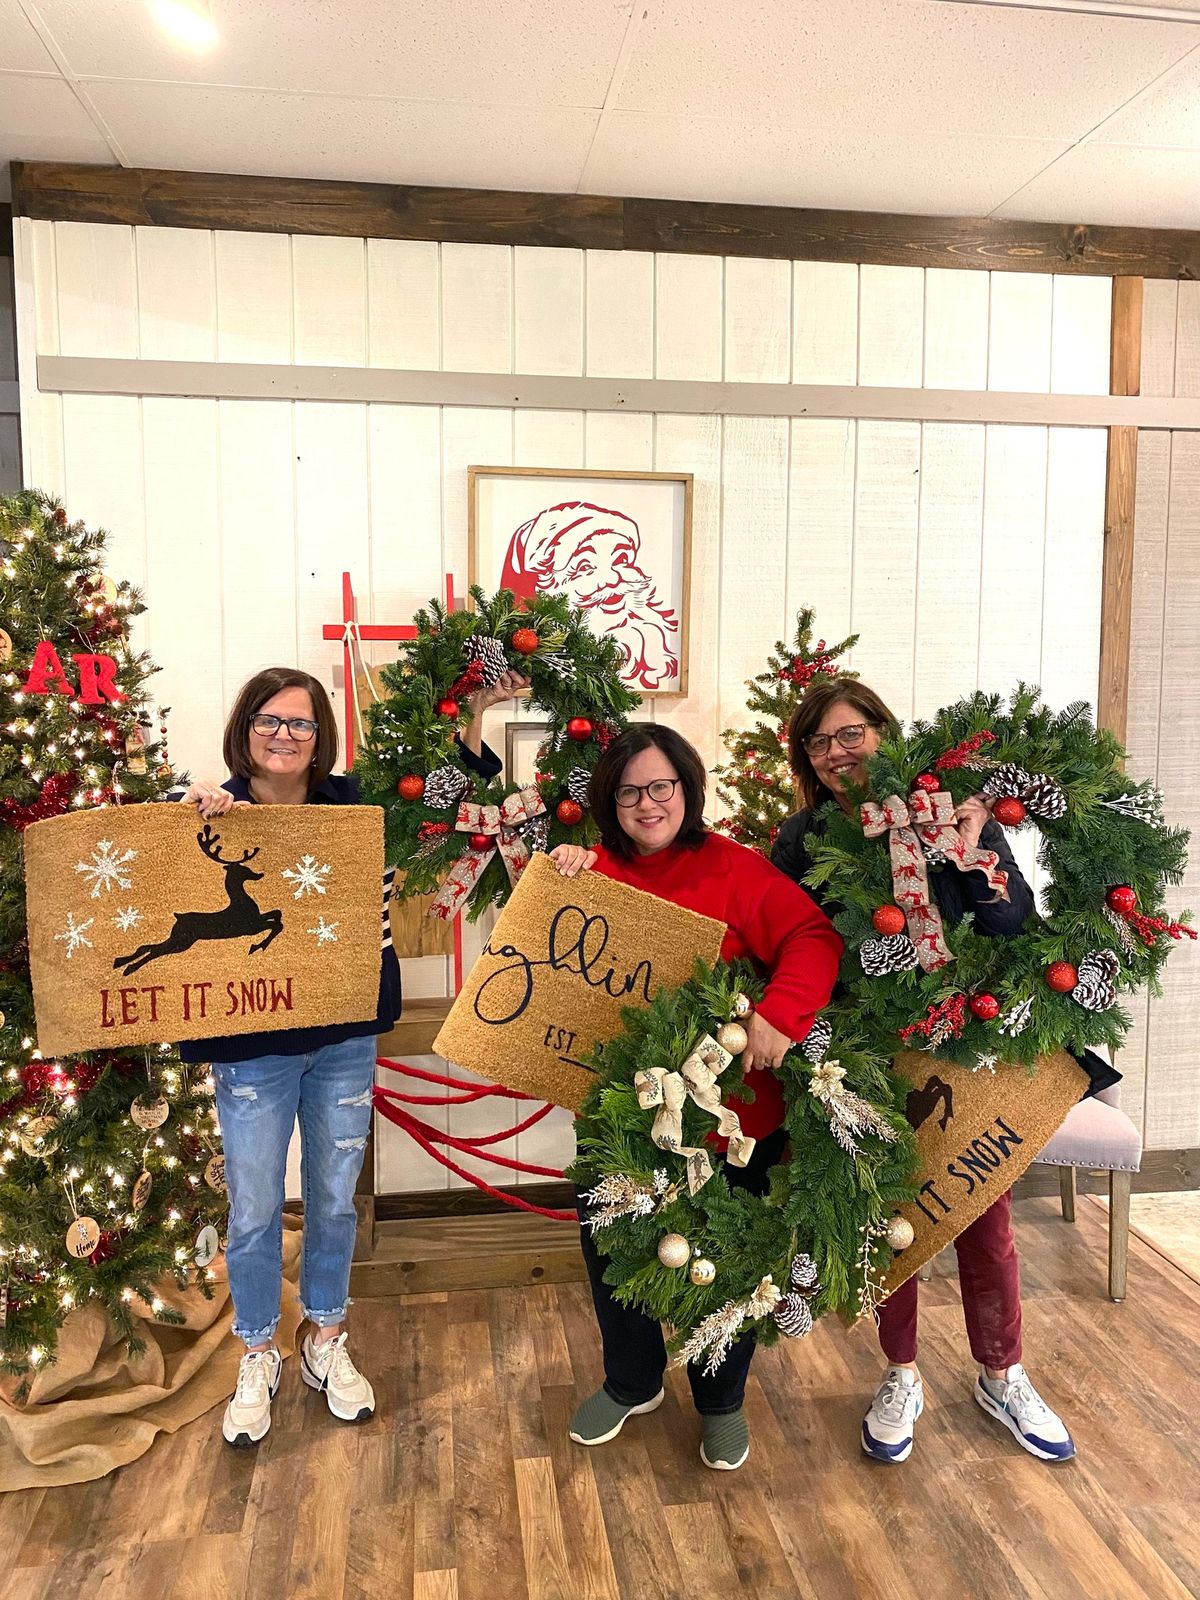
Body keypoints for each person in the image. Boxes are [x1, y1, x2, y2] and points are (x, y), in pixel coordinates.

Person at [179, 664, 524, 1448]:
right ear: (245, 727)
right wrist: (193, 810)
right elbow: (165, 865)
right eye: (270, 719)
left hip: (343, 1037)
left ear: (320, 736)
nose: (284, 735)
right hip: (250, 1046)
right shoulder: (212, 813)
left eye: (300, 723)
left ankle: (324, 1337)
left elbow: (442, 794)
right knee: (259, 1207)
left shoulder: (358, 807)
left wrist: (471, 713)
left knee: (334, 1199)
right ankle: (259, 1348)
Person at [771, 678, 1080, 1466]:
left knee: (986, 1220)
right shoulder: (802, 838)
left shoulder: (944, 813)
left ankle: (1002, 1372)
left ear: (882, 731)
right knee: (891, 1219)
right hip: (864, 1059)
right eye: (819, 742)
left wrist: (976, 853)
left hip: (959, 1052)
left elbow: (1014, 924)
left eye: (851, 735)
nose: (837, 753)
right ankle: (900, 1371)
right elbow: (782, 938)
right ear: (806, 759)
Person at [549, 723, 842, 1470]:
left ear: (686, 788)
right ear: (608, 801)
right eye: (628, 791)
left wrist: (781, 1015)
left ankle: (721, 1399)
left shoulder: (734, 869)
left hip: (731, 1118)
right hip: (622, 1110)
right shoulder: (593, 871)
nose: (647, 803)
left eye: (661, 786)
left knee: (731, 1259)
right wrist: (560, 874)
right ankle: (632, 1380)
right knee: (614, 1247)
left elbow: (812, 936)